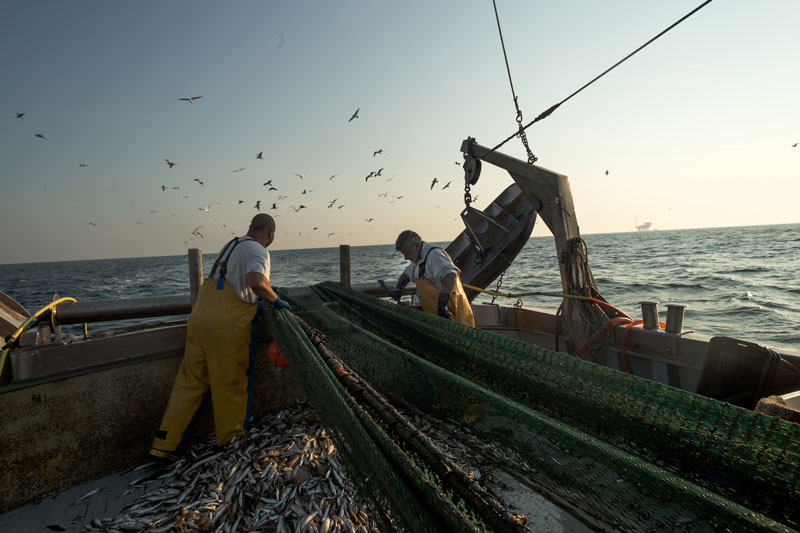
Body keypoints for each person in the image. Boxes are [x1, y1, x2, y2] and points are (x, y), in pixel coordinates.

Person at [149, 214, 291, 460]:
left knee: (190, 383)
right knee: (231, 384)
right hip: (226, 327)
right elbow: (256, 282)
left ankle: (164, 446)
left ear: (250, 227)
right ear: (270, 233)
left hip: (199, 320)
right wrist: (276, 300)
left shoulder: (232, 245)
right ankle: (231, 444)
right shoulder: (258, 250)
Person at [388, 230, 475, 327]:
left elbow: (451, 276)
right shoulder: (416, 260)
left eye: (407, 253)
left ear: (416, 245)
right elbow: (406, 274)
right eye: (403, 254)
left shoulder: (434, 255)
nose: (405, 258)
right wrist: (399, 287)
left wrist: (442, 305)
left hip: (452, 313)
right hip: (436, 315)